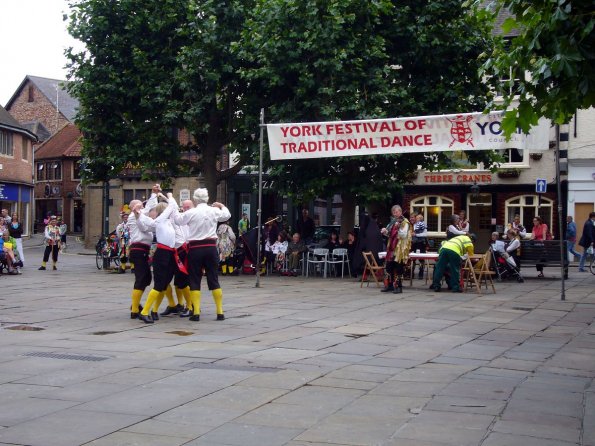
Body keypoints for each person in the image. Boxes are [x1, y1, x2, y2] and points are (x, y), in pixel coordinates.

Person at [172, 187, 231, 322]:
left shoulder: (192, 212)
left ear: (195, 199)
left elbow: (178, 220)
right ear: (207, 198)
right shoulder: (214, 210)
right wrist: (221, 205)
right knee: (213, 278)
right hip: (211, 248)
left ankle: (196, 312)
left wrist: (173, 206)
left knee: (194, 279)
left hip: (196, 249)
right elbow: (227, 215)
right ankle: (220, 312)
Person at [133, 195, 179, 323]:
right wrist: (168, 196)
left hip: (169, 254)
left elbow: (173, 208)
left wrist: (139, 214)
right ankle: (145, 311)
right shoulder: (161, 220)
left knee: (164, 285)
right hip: (162, 254)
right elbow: (173, 206)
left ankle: (153, 311)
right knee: (159, 285)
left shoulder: (167, 222)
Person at [126, 184, 160, 319]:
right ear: (133, 208)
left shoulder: (138, 215)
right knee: (141, 278)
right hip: (138, 250)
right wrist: (153, 194)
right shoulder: (133, 216)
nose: (142, 208)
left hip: (142, 250)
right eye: (139, 206)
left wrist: (154, 193)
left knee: (145, 278)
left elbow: (148, 208)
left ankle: (135, 305)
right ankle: (134, 309)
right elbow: (147, 211)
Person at [380, 205, 412, 294]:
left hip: (400, 248)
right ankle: (389, 285)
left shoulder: (405, 222)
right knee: (389, 266)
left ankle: (399, 287)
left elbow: (403, 235)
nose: (395, 214)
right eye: (393, 212)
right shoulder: (393, 222)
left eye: (396, 212)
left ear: (400, 212)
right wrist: (385, 232)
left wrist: (398, 228)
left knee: (399, 268)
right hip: (392, 248)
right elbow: (390, 234)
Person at [411, 212, 428, 279]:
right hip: (413, 243)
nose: (411, 219)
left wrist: (416, 235)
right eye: (411, 217)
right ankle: (411, 273)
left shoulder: (422, 224)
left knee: (421, 259)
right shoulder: (410, 225)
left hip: (421, 243)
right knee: (413, 259)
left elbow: (425, 234)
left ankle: (421, 273)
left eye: (413, 217)